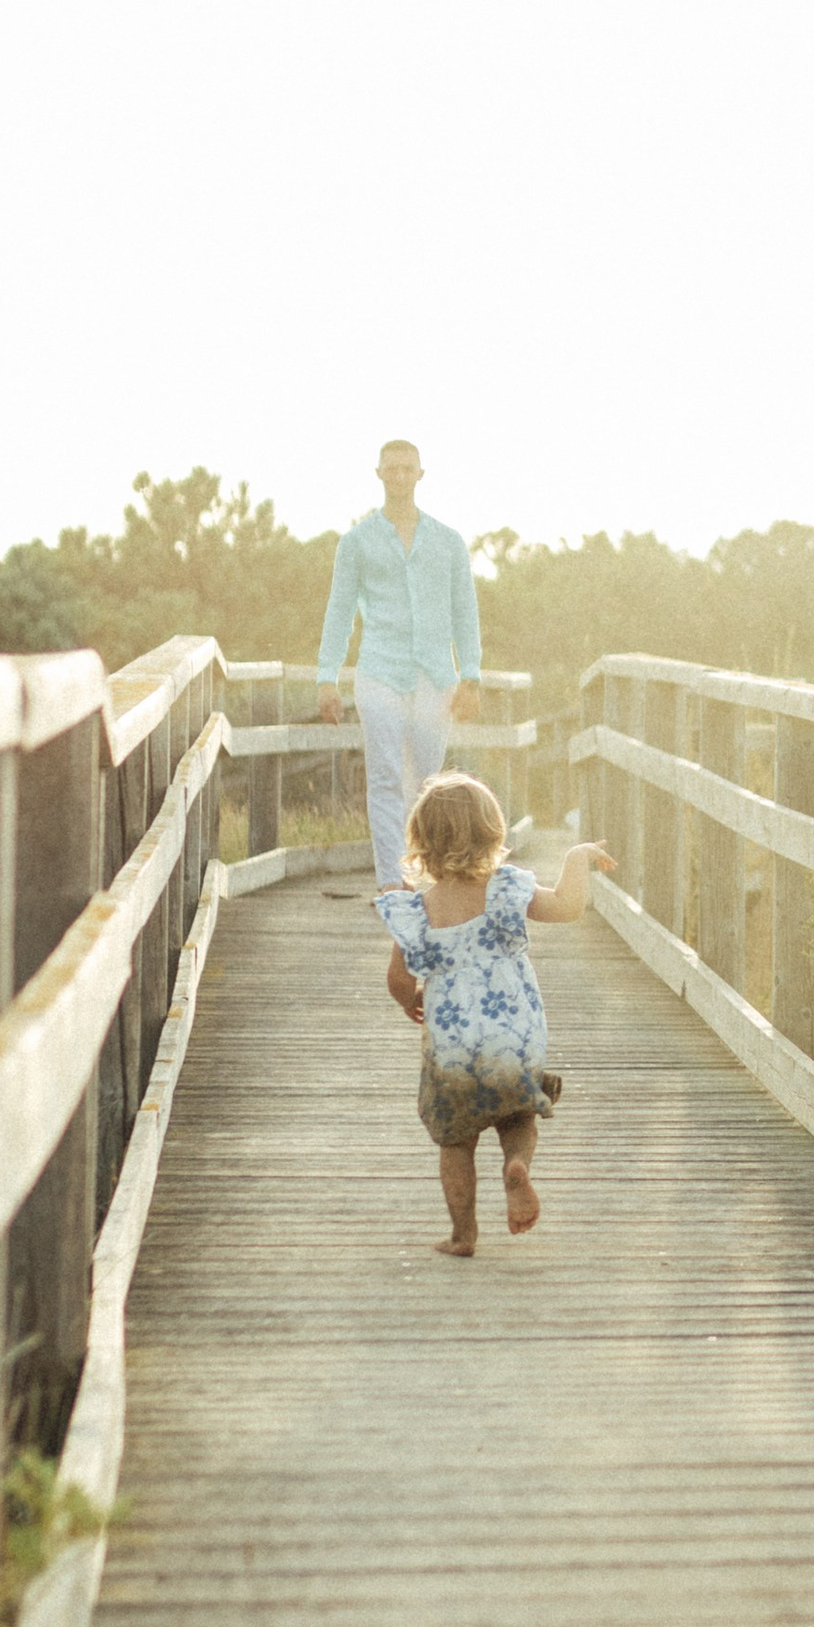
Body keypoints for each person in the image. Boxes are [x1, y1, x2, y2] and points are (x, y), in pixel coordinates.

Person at [378, 772, 615, 1257]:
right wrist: (575, 858)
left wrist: (410, 1001)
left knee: (456, 1141)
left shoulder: (419, 911)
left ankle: (463, 1234)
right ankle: (517, 1166)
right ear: (493, 832)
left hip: (452, 1049)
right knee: (517, 1115)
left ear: (421, 844)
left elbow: (398, 978)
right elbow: (569, 906)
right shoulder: (507, 891)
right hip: (514, 1036)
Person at [316, 439, 486, 890]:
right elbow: (340, 611)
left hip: (435, 674)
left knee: (429, 783)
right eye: (391, 468)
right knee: (386, 776)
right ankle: (393, 882)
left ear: (420, 474)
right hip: (379, 670)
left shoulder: (448, 542)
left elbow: (465, 611)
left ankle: (427, 877)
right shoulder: (357, 542)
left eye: (407, 468)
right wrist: (326, 677)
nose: (399, 475)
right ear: (379, 474)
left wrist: (471, 674)